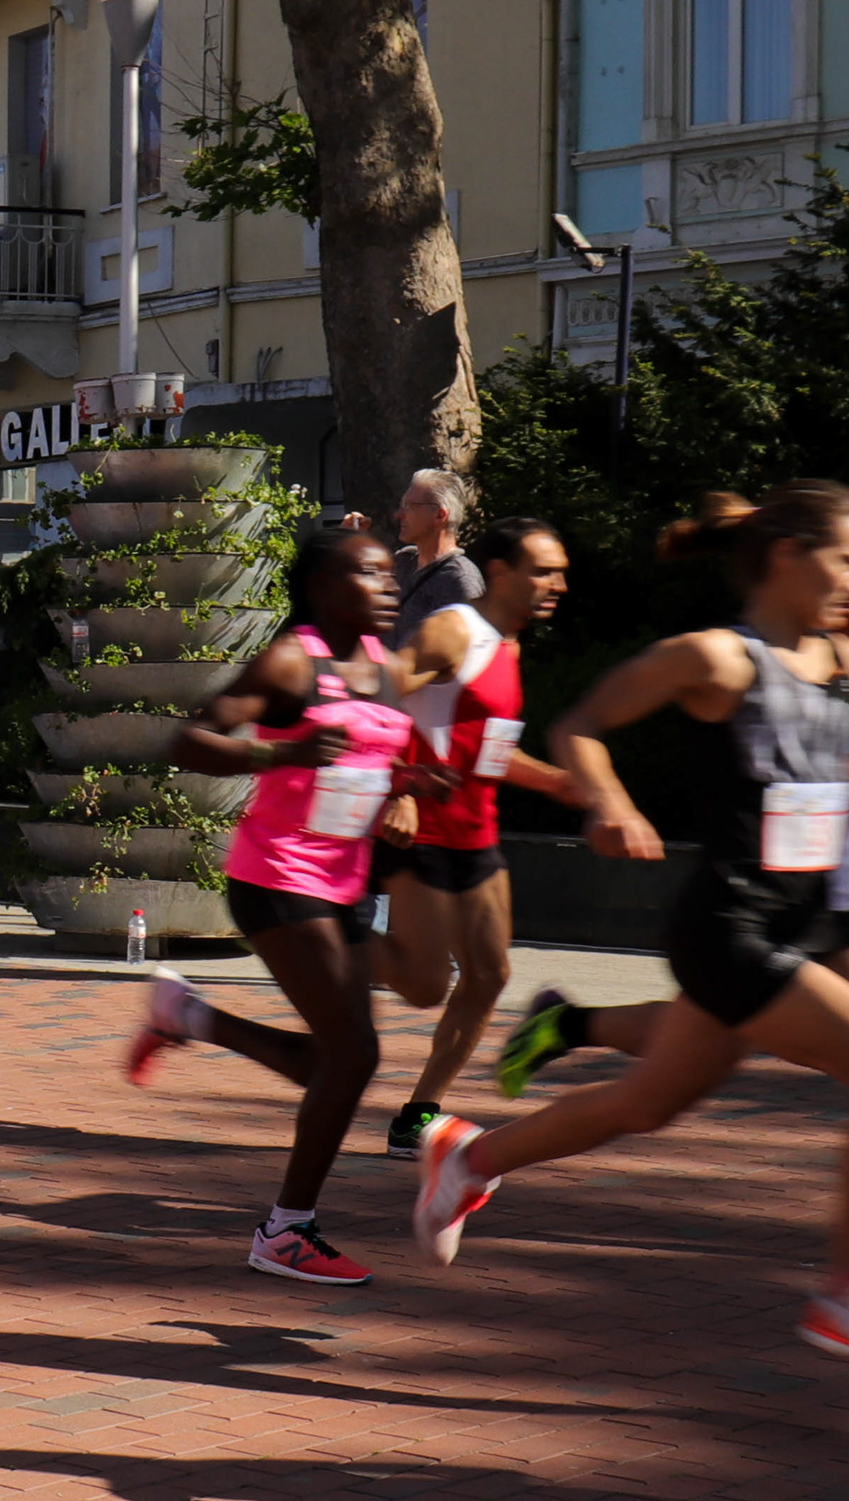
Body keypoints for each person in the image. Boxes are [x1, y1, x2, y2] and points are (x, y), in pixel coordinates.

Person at [420, 484, 849, 1360]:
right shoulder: (717, 658)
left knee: (646, 1103)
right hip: (731, 929)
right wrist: (608, 802)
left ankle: (469, 1160)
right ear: (789, 557)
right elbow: (582, 726)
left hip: (803, 926)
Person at [123, 529, 422, 1283]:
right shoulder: (293, 661)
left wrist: (409, 793)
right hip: (279, 878)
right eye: (369, 575)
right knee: (355, 1055)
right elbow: (189, 742)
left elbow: (385, 760)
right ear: (322, 588)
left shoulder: (387, 668)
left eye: (390, 575)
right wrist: (280, 752)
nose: (388, 586)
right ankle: (286, 1231)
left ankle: (190, 1018)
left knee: (332, 1062)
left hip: (349, 883)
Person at [369, 516, 583, 1151]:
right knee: (425, 985)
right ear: (499, 572)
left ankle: (417, 1115)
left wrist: (559, 783)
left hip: (475, 836)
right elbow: (377, 700)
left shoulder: (507, 647)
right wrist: (399, 786)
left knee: (489, 975)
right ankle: (313, 933)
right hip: (420, 835)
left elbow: (488, 750)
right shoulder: (453, 630)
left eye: (561, 573)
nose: (558, 585)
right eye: (543, 572)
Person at [393, 467, 481, 645]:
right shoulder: (403, 562)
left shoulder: (460, 579)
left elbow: (471, 649)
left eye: (409, 506)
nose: (399, 515)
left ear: (440, 515)